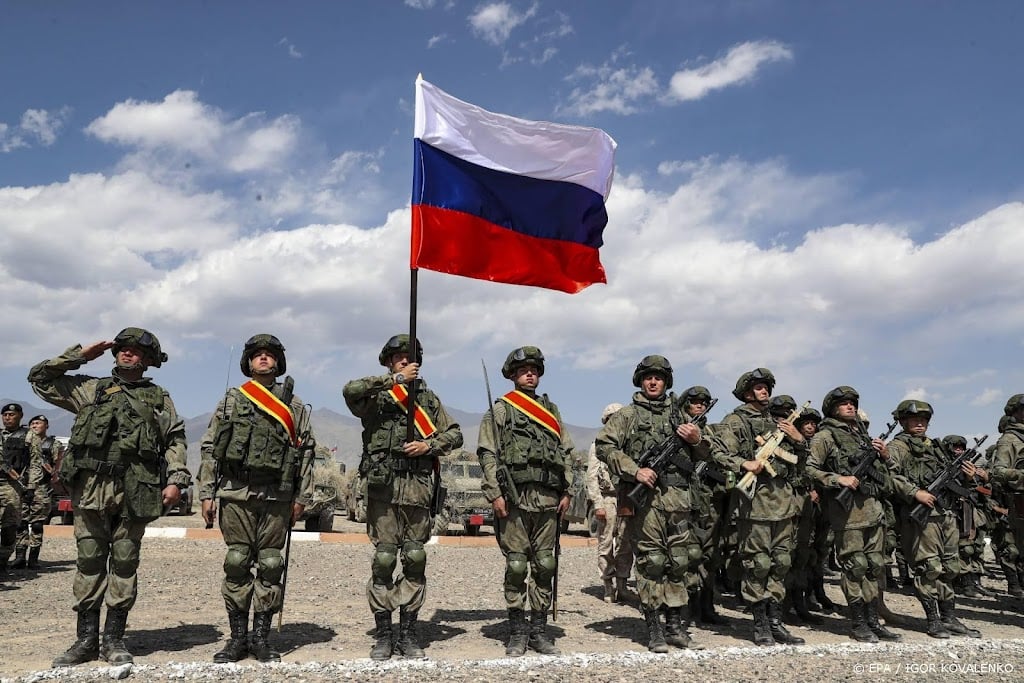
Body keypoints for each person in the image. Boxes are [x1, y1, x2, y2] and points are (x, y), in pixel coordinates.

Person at [28, 328, 190, 666]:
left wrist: (176, 479)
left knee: (125, 561)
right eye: (122, 348)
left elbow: (174, 438)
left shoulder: (158, 397)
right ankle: (85, 640)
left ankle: (114, 640)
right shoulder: (90, 388)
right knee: (88, 560)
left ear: (148, 360)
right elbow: (39, 379)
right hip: (91, 486)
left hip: (136, 487)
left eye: (135, 351)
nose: (127, 354)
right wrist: (79, 357)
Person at [343, 334, 463, 660]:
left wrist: (429, 446)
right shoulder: (377, 396)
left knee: (414, 559)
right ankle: (384, 634)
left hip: (418, 490)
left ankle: (408, 634)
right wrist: (395, 380)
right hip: (383, 491)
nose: (404, 361)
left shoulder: (427, 399)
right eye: (397, 357)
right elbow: (350, 391)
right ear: (388, 362)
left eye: (409, 357)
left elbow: (455, 433)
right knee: (383, 561)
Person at [198, 334, 316, 663]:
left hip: (277, 494)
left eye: (269, 355)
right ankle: (237, 640)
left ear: (278, 362)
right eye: (257, 355)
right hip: (236, 491)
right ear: (248, 363)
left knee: (270, 564)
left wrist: (301, 498)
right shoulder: (233, 400)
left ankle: (261, 638)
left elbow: (306, 453)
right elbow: (210, 448)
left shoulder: (293, 405)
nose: (263, 359)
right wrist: (207, 493)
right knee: (236, 562)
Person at [596, 356, 706, 652]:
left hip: (678, 500)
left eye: (658, 377)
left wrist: (696, 439)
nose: (653, 381)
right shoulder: (628, 415)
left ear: (667, 381)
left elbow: (707, 454)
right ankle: (654, 628)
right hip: (645, 503)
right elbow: (604, 446)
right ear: (640, 381)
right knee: (652, 562)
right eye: (648, 377)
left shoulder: (682, 416)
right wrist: (635, 470)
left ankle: (675, 626)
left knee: (679, 563)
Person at [479, 346, 573, 656]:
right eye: (523, 370)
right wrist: (495, 493)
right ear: (513, 375)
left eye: (534, 369)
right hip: (515, 500)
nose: (529, 373)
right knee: (517, 565)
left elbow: (567, 452)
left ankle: (539, 631)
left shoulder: (552, 411)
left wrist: (568, 490)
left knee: (545, 565)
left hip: (548, 498)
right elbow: (488, 454)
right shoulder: (501, 410)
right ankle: (517, 630)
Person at [710, 370, 806, 646]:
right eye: (759, 388)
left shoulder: (780, 421)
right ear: (747, 392)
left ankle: (776, 621)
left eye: (766, 387)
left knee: (780, 563)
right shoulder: (736, 421)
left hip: (784, 503)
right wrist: (744, 463)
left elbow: (800, 461)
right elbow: (717, 452)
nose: (764, 391)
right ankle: (760, 623)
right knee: (758, 564)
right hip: (755, 504)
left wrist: (798, 439)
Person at [806, 386, 899, 643]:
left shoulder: (862, 437)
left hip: (873, 511)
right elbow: (809, 469)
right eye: (844, 403)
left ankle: (872, 620)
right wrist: (838, 479)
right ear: (833, 408)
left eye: (852, 403)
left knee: (873, 567)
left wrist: (885, 455)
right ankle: (858, 623)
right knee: (855, 567)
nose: (850, 407)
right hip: (847, 514)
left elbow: (888, 474)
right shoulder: (825, 436)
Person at [887, 399, 980, 639]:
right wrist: (915, 492)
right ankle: (933, 620)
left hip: (946, 514)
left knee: (950, 567)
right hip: (921, 517)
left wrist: (967, 478)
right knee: (929, 567)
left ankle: (949, 617)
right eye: (914, 420)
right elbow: (891, 476)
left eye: (923, 420)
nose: (920, 424)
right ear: (903, 422)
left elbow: (952, 478)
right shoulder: (898, 447)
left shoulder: (936, 446)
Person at [586, 402, 634, 603]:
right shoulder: (598, 445)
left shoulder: (630, 445)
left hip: (626, 496)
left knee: (625, 542)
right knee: (606, 542)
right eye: (611, 418)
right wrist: (597, 503)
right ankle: (608, 585)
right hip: (607, 497)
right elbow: (591, 477)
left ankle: (622, 585)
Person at [12, 414, 57, 569]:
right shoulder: (22, 443)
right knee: (21, 522)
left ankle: (33, 559)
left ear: (46, 426)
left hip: (41, 488)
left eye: (38, 423)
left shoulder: (53, 444)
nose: (35, 426)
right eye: (32, 423)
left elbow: (58, 468)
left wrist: (50, 470)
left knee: (37, 524)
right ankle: (19, 557)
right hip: (22, 486)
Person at [1, 403, 34, 573]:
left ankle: (3, 561)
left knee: (10, 526)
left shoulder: (29, 436)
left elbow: (35, 462)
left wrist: (31, 486)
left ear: (20, 416)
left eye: (11, 414)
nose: (7, 418)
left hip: (13, 486)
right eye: (5, 414)